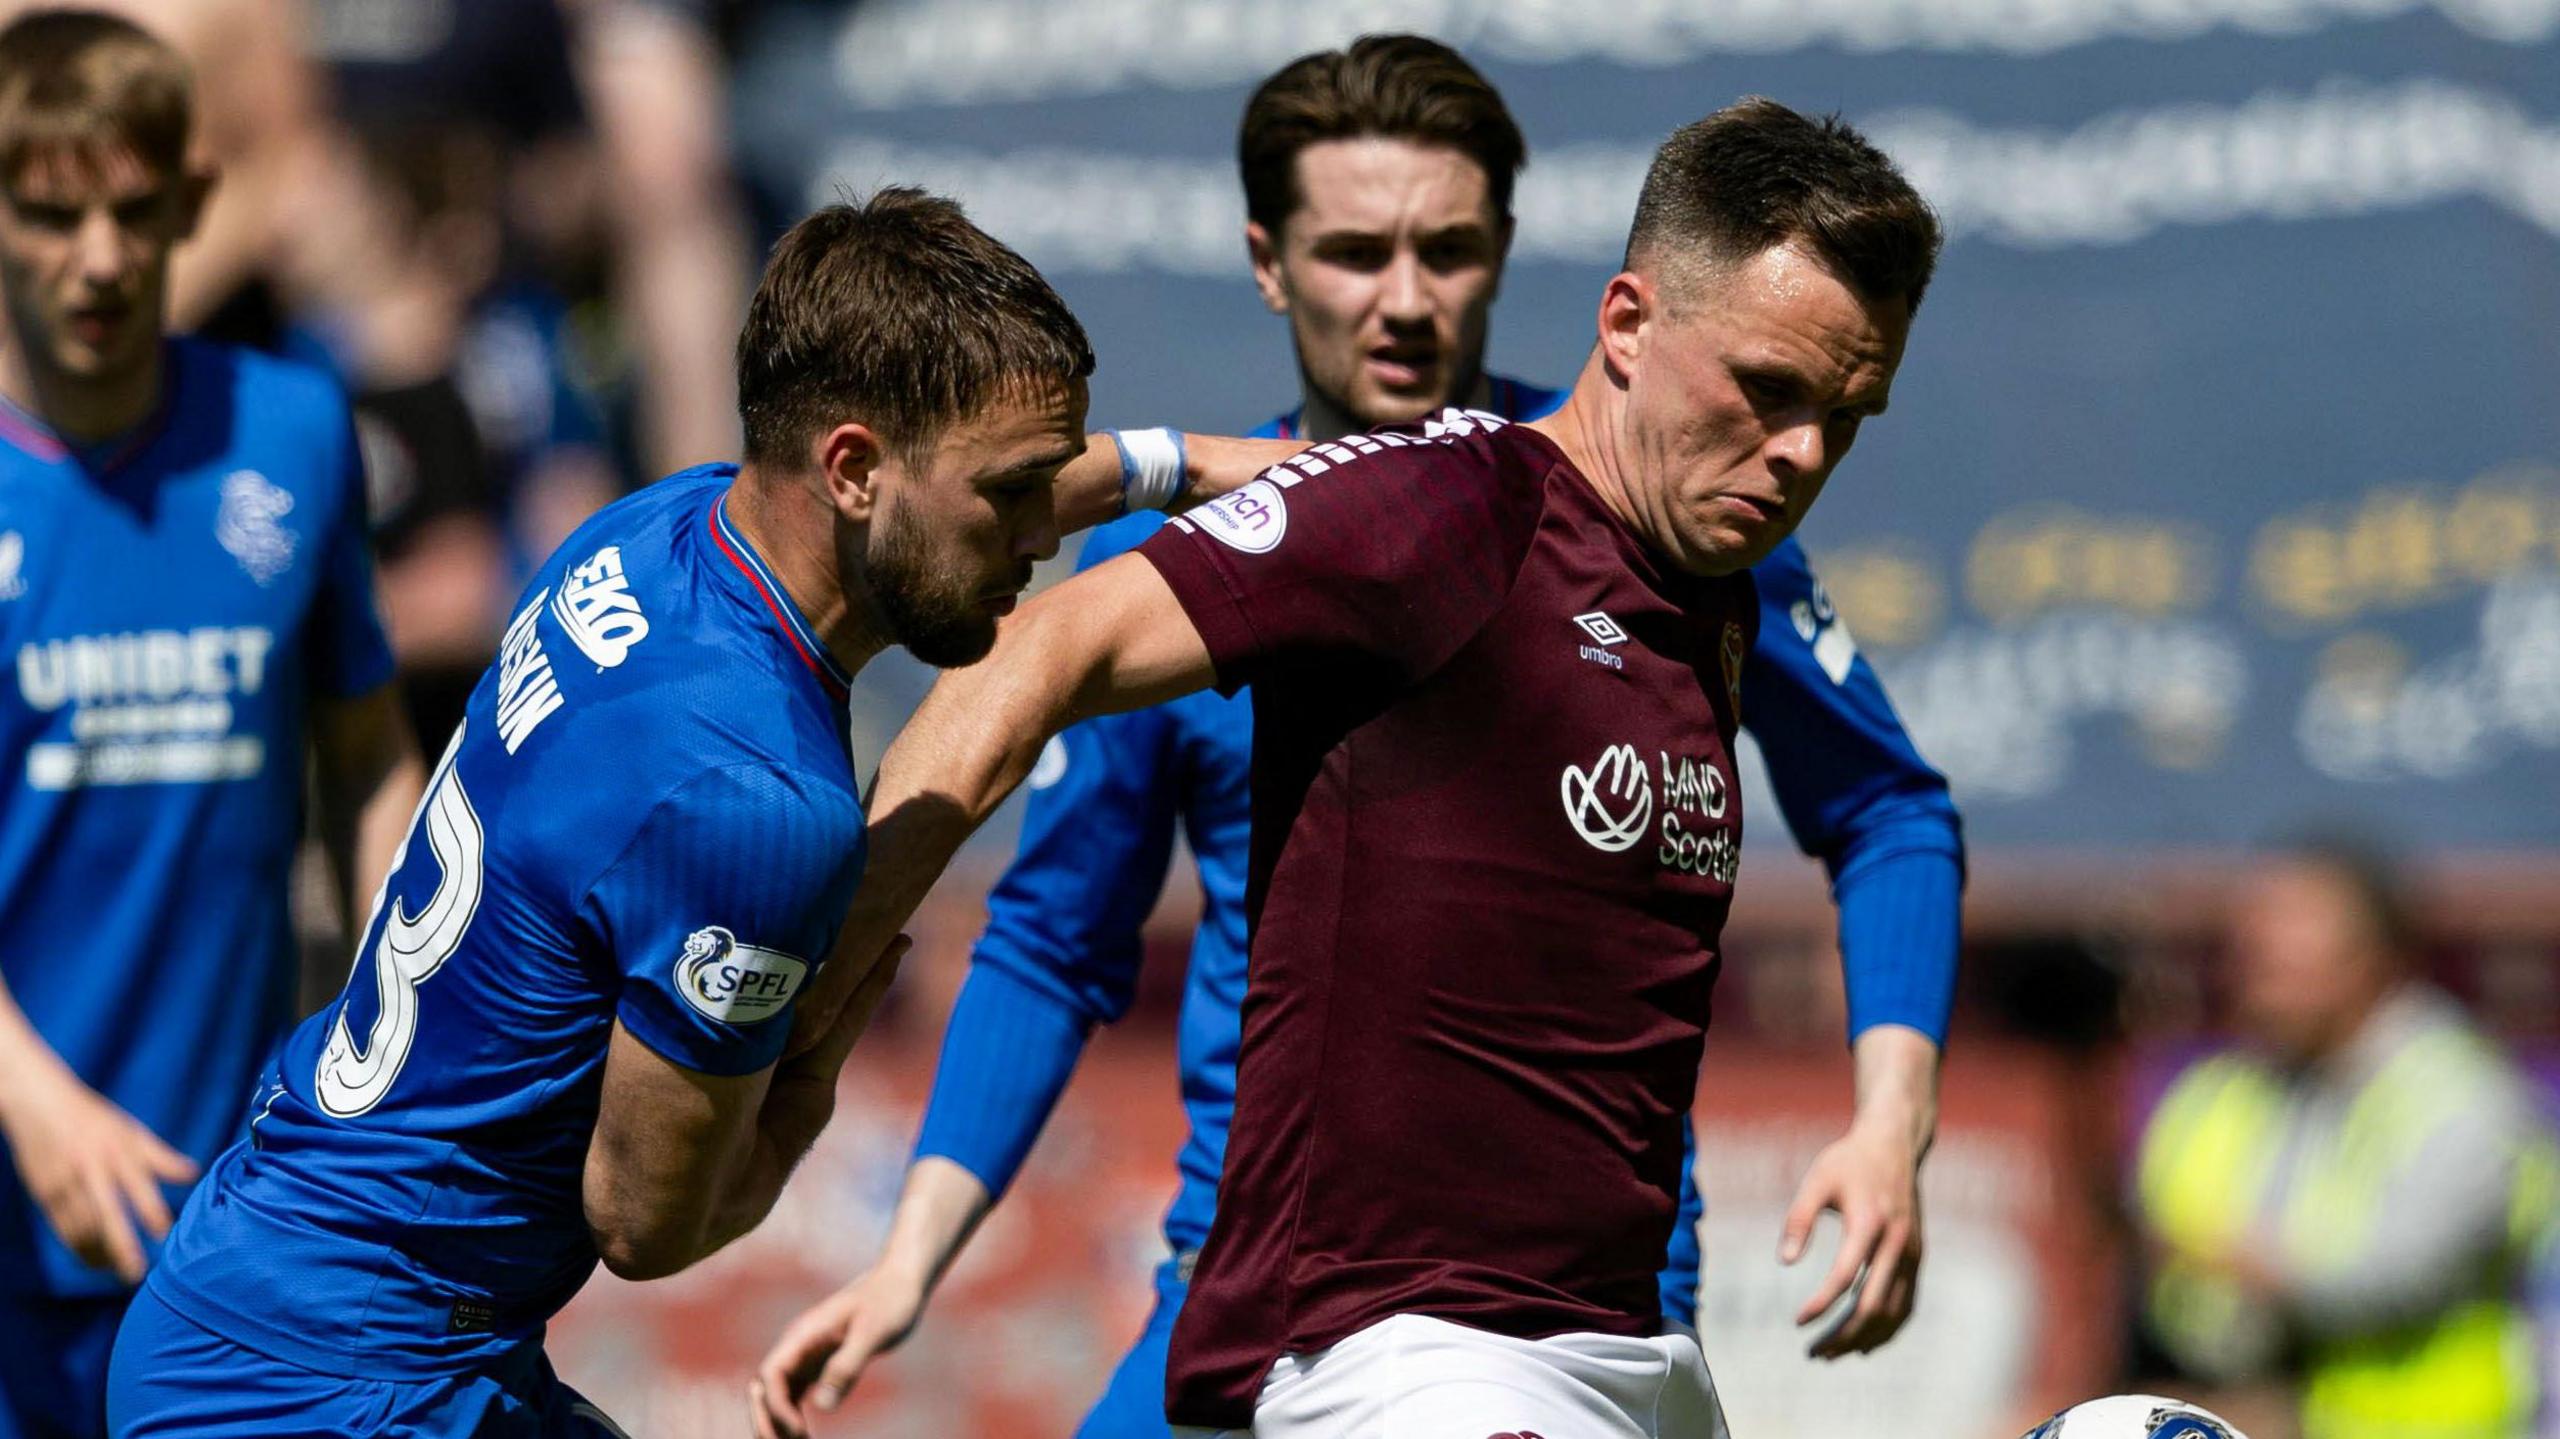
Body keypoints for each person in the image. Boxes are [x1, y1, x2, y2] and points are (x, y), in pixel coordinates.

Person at [752, 36, 1965, 1439]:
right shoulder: (1419, 510)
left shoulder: (1711, 557)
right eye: (1355, 251)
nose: (1404, 299)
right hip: (1343, 1304)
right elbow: (1050, 901)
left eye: (1446, 249)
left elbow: (1893, 812)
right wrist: (879, 1173)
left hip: (1613, 1317)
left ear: (1509, 256)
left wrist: (1891, 1119)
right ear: (1271, 263)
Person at [100, 187, 1135, 1436]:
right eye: (1016, 492)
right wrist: (813, 1058)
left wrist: (1189, 465)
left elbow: (958, 485)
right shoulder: (757, 803)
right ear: (853, 468)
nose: (1040, 532)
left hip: (267, 1294)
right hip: (334, 1389)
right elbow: (648, 1222)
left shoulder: (658, 528)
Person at [0, 12, 425, 1438]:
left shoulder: (290, 432)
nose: (102, 257)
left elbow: (365, 751)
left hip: (232, 1209)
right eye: (51, 214)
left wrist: (408, 987)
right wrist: (33, 1099)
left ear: (196, 200)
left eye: (134, 209)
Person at [2133, 839, 2559, 1439]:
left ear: (2376, 956)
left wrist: (2225, 1259)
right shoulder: (2237, 1086)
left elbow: (2390, 1273)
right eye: (2250, 946)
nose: (2258, 964)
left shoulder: (2462, 1094)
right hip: (2269, 1410)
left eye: (2289, 943)